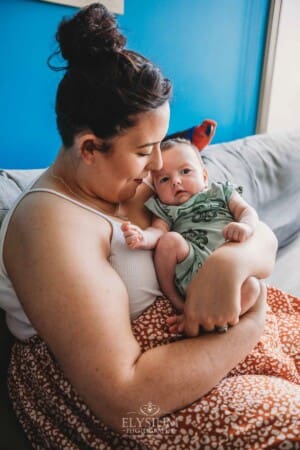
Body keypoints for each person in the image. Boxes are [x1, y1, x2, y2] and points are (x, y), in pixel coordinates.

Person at [0, 4, 299, 449]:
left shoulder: (138, 183)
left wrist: (231, 265)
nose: (160, 166)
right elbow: (125, 402)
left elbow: (260, 233)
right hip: (141, 404)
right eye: (145, 150)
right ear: (88, 148)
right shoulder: (49, 226)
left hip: (204, 341)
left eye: (161, 146)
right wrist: (251, 323)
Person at [121, 138, 260, 333]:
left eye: (185, 171)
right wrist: (143, 237)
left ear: (204, 176)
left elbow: (247, 211)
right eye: (164, 179)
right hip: (191, 268)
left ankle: (216, 321)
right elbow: (158, 232)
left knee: (253, 287)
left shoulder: (221, 192)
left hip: (230, 274)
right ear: (156, 188)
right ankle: (178, 302)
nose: (176, 181)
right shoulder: (165, 208)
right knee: (169, 240)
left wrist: (245, 226)